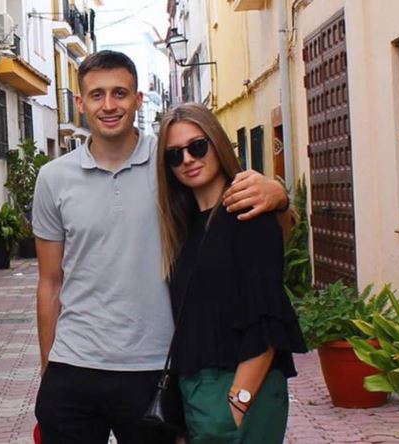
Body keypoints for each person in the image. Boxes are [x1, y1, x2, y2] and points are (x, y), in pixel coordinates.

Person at [32, 50, 289, 444]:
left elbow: (234, 216)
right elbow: (50, 282)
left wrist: (278, 194)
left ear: (138, 99)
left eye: (120, 93)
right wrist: (48, 369)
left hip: (156, 368)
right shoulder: (53, 179)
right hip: (74, 367)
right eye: (97, 94)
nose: (109, 105)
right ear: (80, 102)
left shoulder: (170, 161)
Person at [156, 102, 307, 444]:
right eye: (174, 155)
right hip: (197, 392)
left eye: (197, 147)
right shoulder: (183, 228)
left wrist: (235, 406)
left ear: (217, 143)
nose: (188, 159)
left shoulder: (248, 212)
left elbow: (268, 317)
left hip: (241, 389)